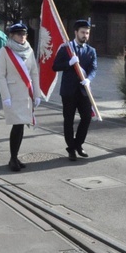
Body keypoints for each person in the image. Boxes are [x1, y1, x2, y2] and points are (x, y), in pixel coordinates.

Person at [0, 23, 41, 171]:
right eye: (19, 34)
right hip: (13, 95)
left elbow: (34, 72)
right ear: (12, 36)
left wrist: (37, 94)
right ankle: (12, 159)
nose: (22, 37)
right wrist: (5, 96)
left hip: (26, 95)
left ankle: (14, 157)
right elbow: (1, 76)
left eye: (24, 34)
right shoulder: (5, 51)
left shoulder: (29, 50)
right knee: (17, 126)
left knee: (21, 126)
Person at [53, 19, 97, 161]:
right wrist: (69, 63)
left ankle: (79, 144)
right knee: (69, 120)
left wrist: (89, 79)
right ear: (76, 32)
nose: (85, 35)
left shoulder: (91, 51)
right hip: (69, 91)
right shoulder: (66, 48)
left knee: (86, 118)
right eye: (83, 32)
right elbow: (55, 66)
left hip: (84, 91)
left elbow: (93, 68)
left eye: (87, 33)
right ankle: (71, 148)